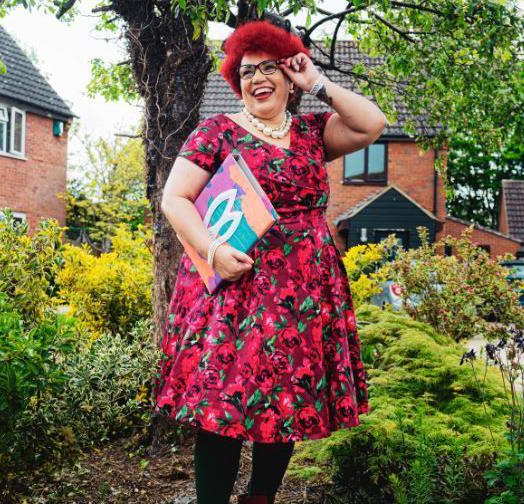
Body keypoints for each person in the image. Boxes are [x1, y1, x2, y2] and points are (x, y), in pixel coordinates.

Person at [151, 18, 387, 504]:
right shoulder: (216, 132)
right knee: (223, 404)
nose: (256, 79)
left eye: (268, 68)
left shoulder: (311, 133)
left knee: (287, 402)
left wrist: (317, 83)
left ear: (288, 75)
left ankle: (260, 498)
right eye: (245, 71)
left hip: (303, 293)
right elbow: (175, 200)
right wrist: (213, 252)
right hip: (238, 288)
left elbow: (372, 124)